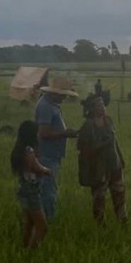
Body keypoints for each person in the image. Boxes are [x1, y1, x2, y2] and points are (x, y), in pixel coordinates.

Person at [34, 76, 79, 221]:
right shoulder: (46, 106)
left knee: (47, 188)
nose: (65, 97)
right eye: (64, 94)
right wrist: (65, 133)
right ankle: (47, 221)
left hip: (52, 154)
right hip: (46, 155)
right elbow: (44, 132)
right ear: (56, 93)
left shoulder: (52, 104)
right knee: (48, 191)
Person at [77, 96, 127, 225]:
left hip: (114, 164)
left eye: (103, 105)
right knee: (99, 195)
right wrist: (103, 144)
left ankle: (122, 219)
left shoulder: (109, 121)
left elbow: (114, 140)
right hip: (98, 166)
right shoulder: (88, 125)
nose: (102, 108)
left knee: (119, 192)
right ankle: (100, 222)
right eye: (98, 105)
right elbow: (82, 147)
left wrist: (121, 158)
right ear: (91, 109)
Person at [10, 120, 51, 248]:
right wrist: (46, 170)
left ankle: (24, 247)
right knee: (42, 226)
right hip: (31, 190)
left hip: (23, 187)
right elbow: (34, 166)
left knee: (29, 223)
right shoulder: (28, 150)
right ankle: (31, 253)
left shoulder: (19, 149)